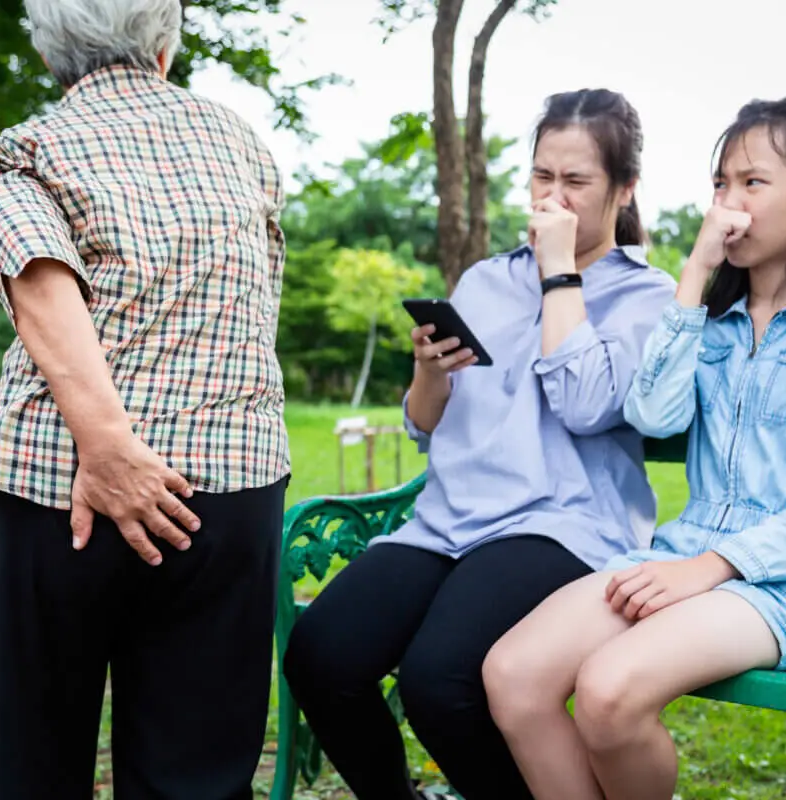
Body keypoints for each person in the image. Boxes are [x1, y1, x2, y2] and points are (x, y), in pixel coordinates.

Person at [482, 96, 786, 800]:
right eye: (720, 184)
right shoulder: (709, 327)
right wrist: (693, 278)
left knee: (608, 692)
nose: (728, 203)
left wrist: (710, 569)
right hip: (681, 557)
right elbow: (652, 414)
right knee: (513, 675)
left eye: (753, 182)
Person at [283, 89, 678, 800]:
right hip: (449, 522)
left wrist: (560, 273)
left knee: (440, 679)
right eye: (542, 176)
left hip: (561, 524)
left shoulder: (647, 297)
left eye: (576, 181)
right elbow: (426, 423)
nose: (552, 198)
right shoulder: (487, 281)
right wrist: (429, 371)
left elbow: (587, 407)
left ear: (624, 190)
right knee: (322, 657)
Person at [0, 1, 290, 798]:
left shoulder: (18, 152)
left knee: (30, 772)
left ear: (49, 55)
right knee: (196, 781)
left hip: (47, 497)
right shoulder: (242, 144)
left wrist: (107, 449)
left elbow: (41, 283)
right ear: (163, 46)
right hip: (223, 495)